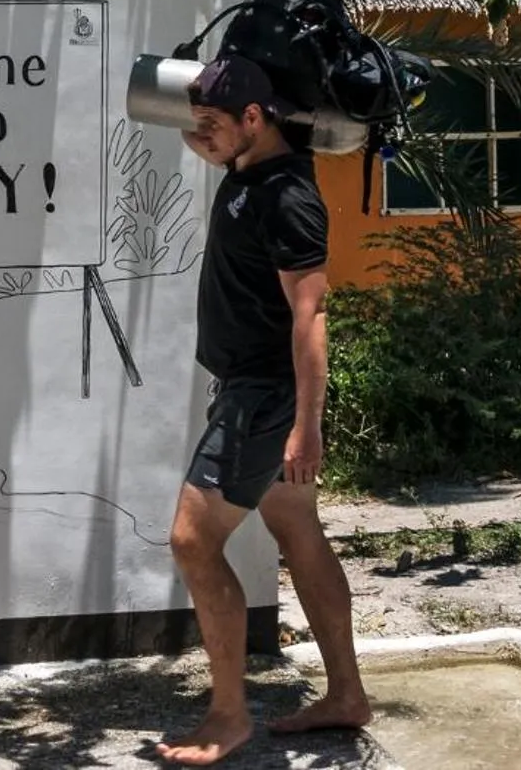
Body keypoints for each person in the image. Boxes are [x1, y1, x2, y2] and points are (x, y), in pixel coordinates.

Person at [153, 53, 369, 766]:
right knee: (297, 527)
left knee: (191, 538)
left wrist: (306, 423)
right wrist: (207, 141)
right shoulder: (251, 173)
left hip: (264, 395)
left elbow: (311, 315)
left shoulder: (287, 197)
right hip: (251, 387)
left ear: (255, 118)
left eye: (211, 125)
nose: (200, 136)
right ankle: (346, 694)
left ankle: (228, 713)